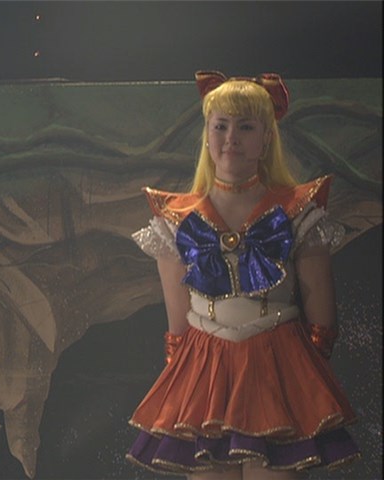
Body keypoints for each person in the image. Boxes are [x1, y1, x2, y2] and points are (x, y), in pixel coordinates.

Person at [126, 71, 360, 479]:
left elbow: (322, 326)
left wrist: (299, 386)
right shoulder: (176, 220)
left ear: (266, 138)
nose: (231, 137)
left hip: (278, 370)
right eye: (221, 125)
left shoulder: (298, 213)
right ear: (207, 135)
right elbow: (177, 332)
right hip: (204, 374)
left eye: (246, 126)